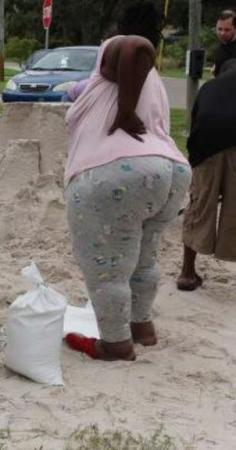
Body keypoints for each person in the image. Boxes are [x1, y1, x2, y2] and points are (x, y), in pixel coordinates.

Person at [63, 1, 191, 361]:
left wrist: (123, 113)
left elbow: (136, 47)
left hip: (117, 171)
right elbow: (93, 86)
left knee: (107, 267)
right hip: (170, 171)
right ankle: (141, 327)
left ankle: (115, 344)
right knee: (143, 259)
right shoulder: (153, 81)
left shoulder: (121, 45)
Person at [176, 59, 236, 291]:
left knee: (199, 207)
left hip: (205, 150)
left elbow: (196, 121)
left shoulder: (209, 87)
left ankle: (187, 273)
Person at [213, 10, 236, 77]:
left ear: (235, 28)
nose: (222, 33)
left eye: (227, 30)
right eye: (219, 29)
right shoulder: (222, 45)